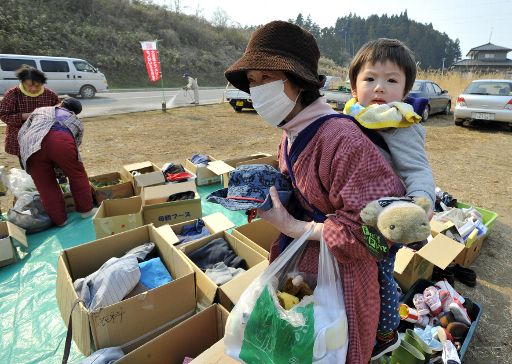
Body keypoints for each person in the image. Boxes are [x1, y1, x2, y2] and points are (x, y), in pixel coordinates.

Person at [225, 21, 405, 363]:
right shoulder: (291, 132)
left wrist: (296, 228)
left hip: (344, 278)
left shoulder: (342, 140)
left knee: (334, 349)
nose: (257, 89)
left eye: (268, 78)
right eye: (252, 80)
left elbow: (382, 232)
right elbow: (304, 191)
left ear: (299, 81)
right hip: (301, 267)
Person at [344, 38, 436, 359]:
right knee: (353, 277)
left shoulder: (402, 126)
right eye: (370, 79)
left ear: (405, 90)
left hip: (386, 221)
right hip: (350, 219)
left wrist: (421, 203)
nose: (379, 87)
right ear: (354, 86)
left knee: (380, 277)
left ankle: (386, 333)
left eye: (391, 80)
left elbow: (418, 171)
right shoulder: (349, 119)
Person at [17, 98, 95, 227]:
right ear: (75, 113)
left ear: (61, 103)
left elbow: (22, 132)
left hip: (30, 144)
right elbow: (76, 144)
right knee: (77, 175)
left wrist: (25, 150)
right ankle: (86, 211)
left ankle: (59, 220)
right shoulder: (77, 122)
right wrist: (60, 166)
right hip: (60, 140)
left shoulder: (40, 110)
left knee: (45, 185)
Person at [0, 65, 59, 166]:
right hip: (20, 136)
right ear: (22, 82)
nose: (33, 88)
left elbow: (58, 111)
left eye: (37, 85)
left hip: (43, 135)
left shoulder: (50, 94)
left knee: (45, 161)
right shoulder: (13, 94)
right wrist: (24, 116)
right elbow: (3, 114)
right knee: (27, 164)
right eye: (29, 85)